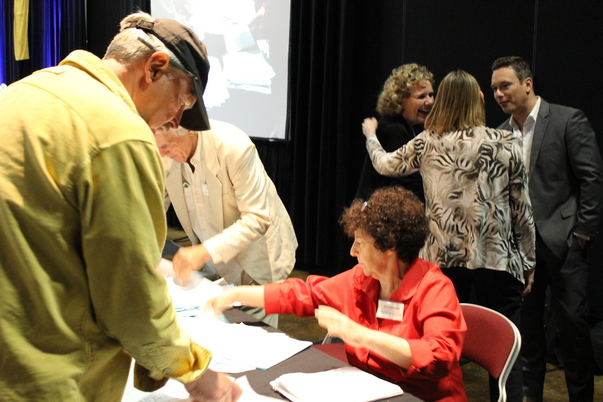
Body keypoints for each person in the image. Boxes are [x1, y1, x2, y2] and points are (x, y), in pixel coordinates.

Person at [0, 12, 241, 402]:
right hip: (56, 380)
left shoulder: (24, 92)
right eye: (181, 101)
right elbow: (132, 300)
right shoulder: (119, 133)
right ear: (154, 68)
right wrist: (196, 373)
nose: (175, 120)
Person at [363, 70, 536, 402]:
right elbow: (522, 209)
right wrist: (529, 262)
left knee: (439, 346)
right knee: (505, 354)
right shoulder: (505, 142)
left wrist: (371, 136)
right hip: (497, 261)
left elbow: (384, 164)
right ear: (476, 102)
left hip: (441, 263)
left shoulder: (428, 142)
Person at [211, 186, 468, 402]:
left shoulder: (434, 288)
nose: (352, 251)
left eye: (360, 243)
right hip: (368, 391)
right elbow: (303, 294)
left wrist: (359, 334)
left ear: (389, 246)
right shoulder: (361, 280)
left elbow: (439, 355)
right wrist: (237, 294)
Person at [491, 56, 603, 402]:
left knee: (573, 333)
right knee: (527, 334)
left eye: (505, 85)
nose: (498, 94)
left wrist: (581, 235)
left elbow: (592, 179)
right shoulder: (499, 133)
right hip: (519, 251)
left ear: (527, 84)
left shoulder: (568, 120)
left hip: (564, 244)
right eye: (494, 88)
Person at [153, 120, 298, 326]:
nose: (162, 154)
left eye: (167, 146)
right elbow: (153, 210)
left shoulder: (234, 148)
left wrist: (204, 251)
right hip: (213, 266)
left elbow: (257, 219)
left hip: (256, 261)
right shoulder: (165, 155)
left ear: (190, 131)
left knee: (254, 332)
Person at [356, 63, 435, 201]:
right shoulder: (393, 129)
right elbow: (410, 185)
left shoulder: (417, 128)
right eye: (421, 96)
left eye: (431, 95)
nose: (430, 101)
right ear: (400, 100)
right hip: (377, 211)